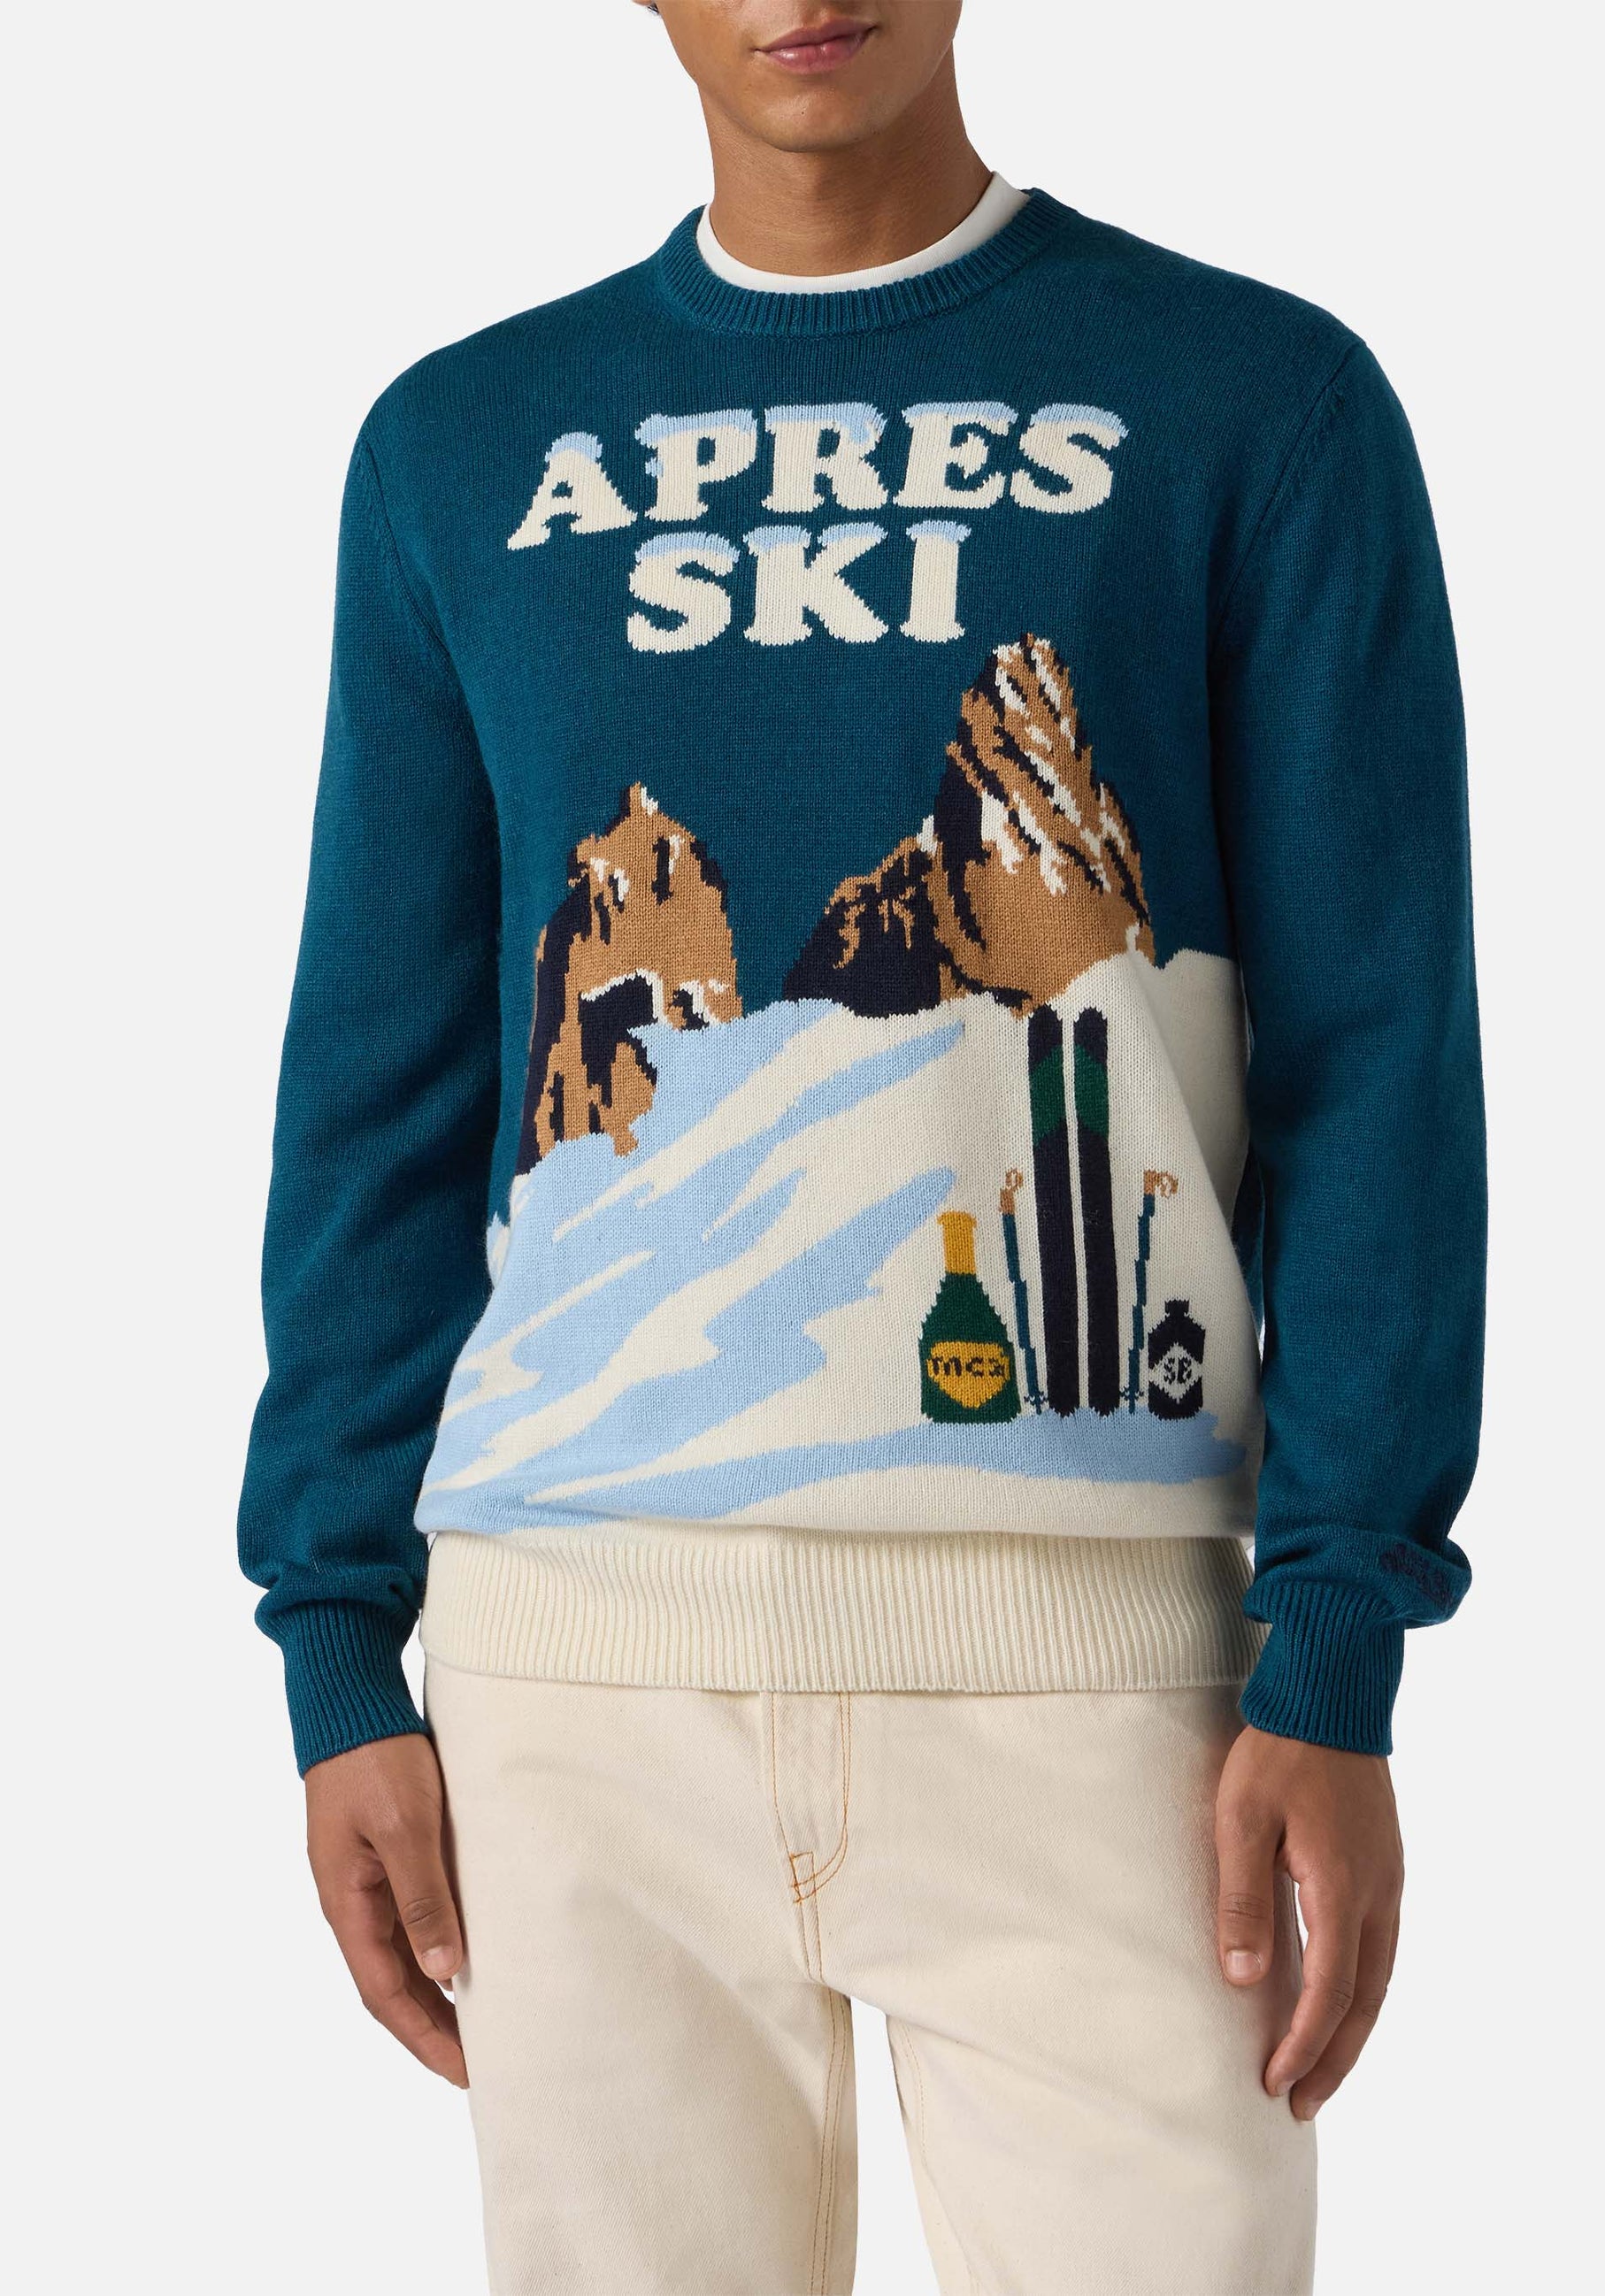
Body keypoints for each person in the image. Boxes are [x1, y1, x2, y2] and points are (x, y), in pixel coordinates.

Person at [239, 4, 1485, 2290]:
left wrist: (1336, 1637)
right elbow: (379, 1081)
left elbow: (1375, 1052)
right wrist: (335, 1645)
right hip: (568, 1691)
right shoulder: (459, 446)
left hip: (1107, 1685)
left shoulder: (1253, 398)